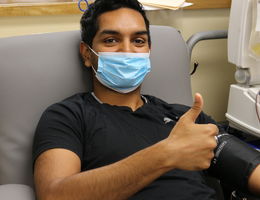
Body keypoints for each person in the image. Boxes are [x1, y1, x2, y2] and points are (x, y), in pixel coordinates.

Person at [32, 0, 260, 199]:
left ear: (149, 50)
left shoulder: (184, 118)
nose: (127, 50)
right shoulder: (68, 116)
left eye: (138, 41)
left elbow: (251, 169)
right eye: (111, 40)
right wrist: (165, 155)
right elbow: (55, 194)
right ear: (87, 54)